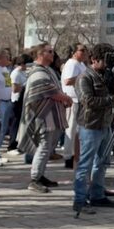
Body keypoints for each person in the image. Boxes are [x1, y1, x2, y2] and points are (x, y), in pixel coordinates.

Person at [72, 44, 114, 216]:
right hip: (90, 126)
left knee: (102, 163)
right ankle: (80, 201)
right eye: (105, 60)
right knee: (85, 165)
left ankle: (97, 195)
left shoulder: (106, 75)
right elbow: (89, 101)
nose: (108, 63)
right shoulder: (84, 77)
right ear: (94, 60)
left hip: (105, 125)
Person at [17, 43, 73, 193]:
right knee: (43, 148)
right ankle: (35, 179)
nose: (53, 54)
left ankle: (40, 176)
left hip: (51, 116)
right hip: (43, 117)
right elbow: (49, 91)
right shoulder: (37, 72)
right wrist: (65, 98)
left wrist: (63, 99)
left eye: (52, 51)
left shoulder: (47, 70)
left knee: (47, 148)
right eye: (49, 51)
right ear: (40, 54)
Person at [61, 43, 88, 169]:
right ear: (74, 52)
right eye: (82, 50)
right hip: (72, 100)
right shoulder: (72, 64)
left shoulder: (81, 64)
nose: (85, 52)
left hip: (80, 100)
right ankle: (68, 156)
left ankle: (76, 154)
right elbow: (67, 80)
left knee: (78, 130)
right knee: (71, 129)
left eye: (85, 50)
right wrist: (82, 77)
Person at [7, 53, 31, 154]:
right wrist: (26, 87)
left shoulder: (24, 72)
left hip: (23, 100)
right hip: (16, 101)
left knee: (21, 123)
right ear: (22, 64)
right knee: (15, 123)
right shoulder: (15, 73)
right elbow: (14, 88)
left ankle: (19, 144)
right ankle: (11, 146)